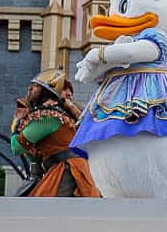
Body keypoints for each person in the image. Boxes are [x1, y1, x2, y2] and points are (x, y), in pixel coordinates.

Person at [10, 68, 102, 198]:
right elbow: (34, 156)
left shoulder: (48, 116)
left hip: (66, 170)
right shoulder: (56, 115)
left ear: (44, 92)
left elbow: (17, 147)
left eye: (35, 87)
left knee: (44, 209)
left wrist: (17, 122)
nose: (30, 90)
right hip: (66, 168)